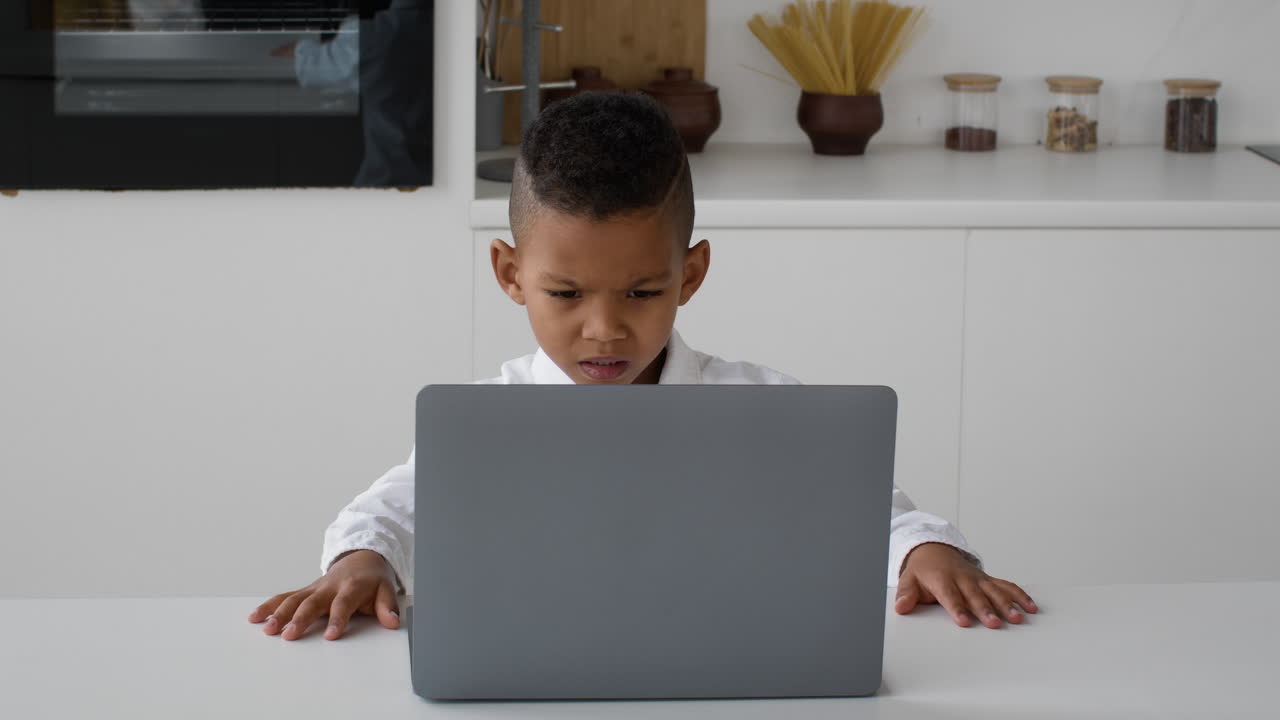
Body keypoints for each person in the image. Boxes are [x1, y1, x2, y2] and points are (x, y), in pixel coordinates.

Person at [247, 92, 1039, 642]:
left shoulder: (764, 409)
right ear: (509, 274)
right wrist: (362, 561)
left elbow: (876, 512)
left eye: (642, 290)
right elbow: (389, 512)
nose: (605, 328)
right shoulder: (484, 423)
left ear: (689, 275)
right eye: (565, 293)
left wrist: (928, 552)